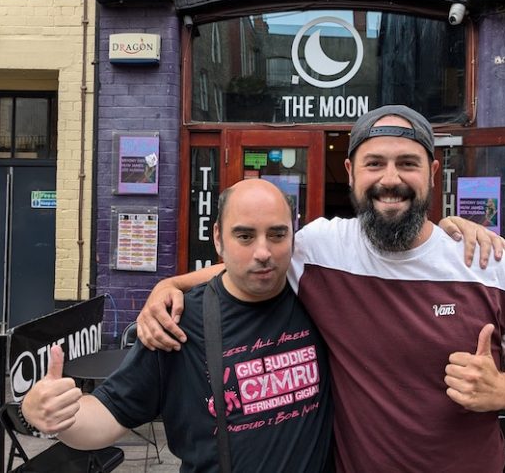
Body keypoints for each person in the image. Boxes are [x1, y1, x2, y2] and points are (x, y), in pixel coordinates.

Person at [138, 105, 505, 473]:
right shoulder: (322, 248)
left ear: (432, 173)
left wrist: (501, 390)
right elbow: (251, 264)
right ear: (352, 173)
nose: (390, 179)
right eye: (375, 163)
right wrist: (169, 284)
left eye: (407, 163)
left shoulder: (492, 266)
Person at [21, 179, 335, 472]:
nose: (264, 252)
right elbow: (110, 413)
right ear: (217, 238)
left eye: (277, 234)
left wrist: (170, 281)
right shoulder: (178, 320)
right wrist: (56, 416)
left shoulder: (321, 298)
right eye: (245, 236)